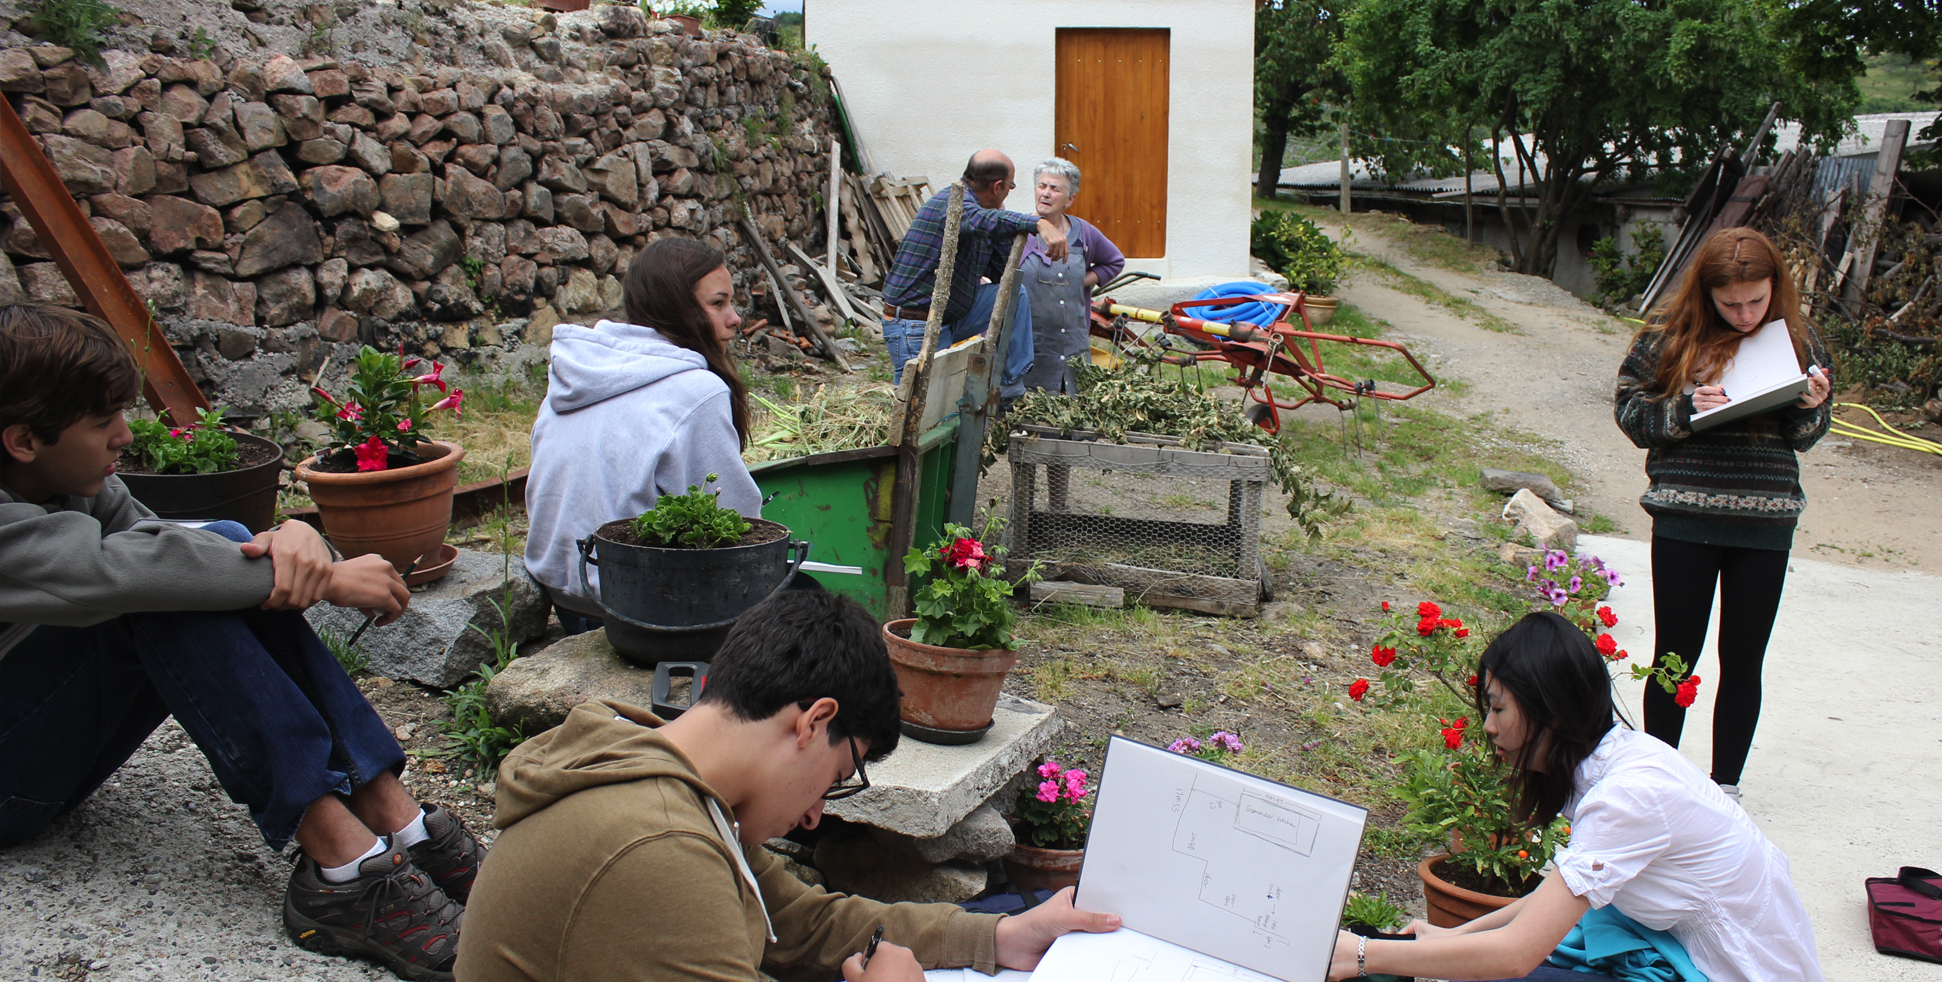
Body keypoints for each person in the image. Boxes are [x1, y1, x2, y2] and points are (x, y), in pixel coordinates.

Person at [0, 304, 484, 982]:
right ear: (23, 441)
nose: (125, 434)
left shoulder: (72, 479)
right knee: (159, 587)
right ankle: (342, 858)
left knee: (213, 553)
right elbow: (129, 572)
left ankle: (392, 815)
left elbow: (176, 548)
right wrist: (329, 579)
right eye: (101, 419)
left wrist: (292, 537)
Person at [453, 589, 1121, 981]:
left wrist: (998, 938)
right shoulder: (652, 847)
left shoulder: (663, 778)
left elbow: (801, 920)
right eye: (832, 780)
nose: (811, 817)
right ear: (813, 722)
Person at [1329, 612, 1822, 982]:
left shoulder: (1629, 797)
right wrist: (1456, 935)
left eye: (1499, 708)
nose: (1488, 726)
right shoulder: (1616, 760)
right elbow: (1552, 901)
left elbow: (1513, 955)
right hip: (1688, 952)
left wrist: (1364, 955)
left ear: (1553, 712)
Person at [1612, 226, 1831, 798]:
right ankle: (1657, 781)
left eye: (1757, 301)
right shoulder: (1666, 337)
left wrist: (1811, 406)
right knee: (1673, 654)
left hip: (1765, 525)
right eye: (1730, 303)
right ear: (1704, 293)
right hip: (1685, 518)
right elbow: (1631, 412)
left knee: (1743, 659)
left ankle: (1725, 787)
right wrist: (1684, 408)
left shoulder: (1800, 342)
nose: (1745, 313)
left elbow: (1805, 436)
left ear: (1775, 288)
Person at [524, 237, 758, 634]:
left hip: (562, 594)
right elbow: (739, 524)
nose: (734, 318)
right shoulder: (696, 390)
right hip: (633, 606)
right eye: (718, 304)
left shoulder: (578, 370)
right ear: (677, 309)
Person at [881, 149, 1069, 390]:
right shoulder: (953, 202)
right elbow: (976, 219)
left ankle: (1010, 388)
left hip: (952, 314)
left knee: (1014, 293)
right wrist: (1038, 223)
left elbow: (1002, 273)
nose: (1007, 193)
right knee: (922, 404)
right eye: (1010, 187)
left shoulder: (984, 216)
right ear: (997, 186)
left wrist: (1004, 232)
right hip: (915, 322)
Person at [1017, 157, 1125, 396]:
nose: (1046, 193)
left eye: (1055, 189)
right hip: (1028, 345)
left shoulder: (1083, 232)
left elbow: (1114, 261)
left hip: (1072, 344)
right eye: (1041, 186)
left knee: (1071, 415)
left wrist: (1080, 281)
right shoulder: (1017, 231)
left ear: (1070, 199)